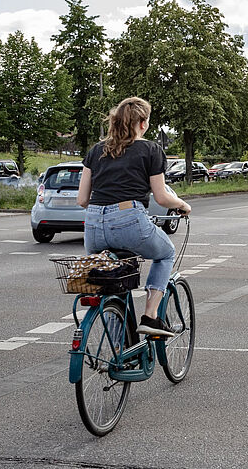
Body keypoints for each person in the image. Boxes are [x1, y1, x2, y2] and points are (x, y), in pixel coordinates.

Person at [77, 96, 191, 337]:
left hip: (94, 225)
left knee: (116, 282)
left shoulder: (96, 150)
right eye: (147, 120)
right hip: (129, 219)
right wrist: (182, 204)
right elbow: (161, 197)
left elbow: (82, 200)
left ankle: (119, 350)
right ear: (141, 122)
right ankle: (150, 317)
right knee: (165, 253)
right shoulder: (150, 149)